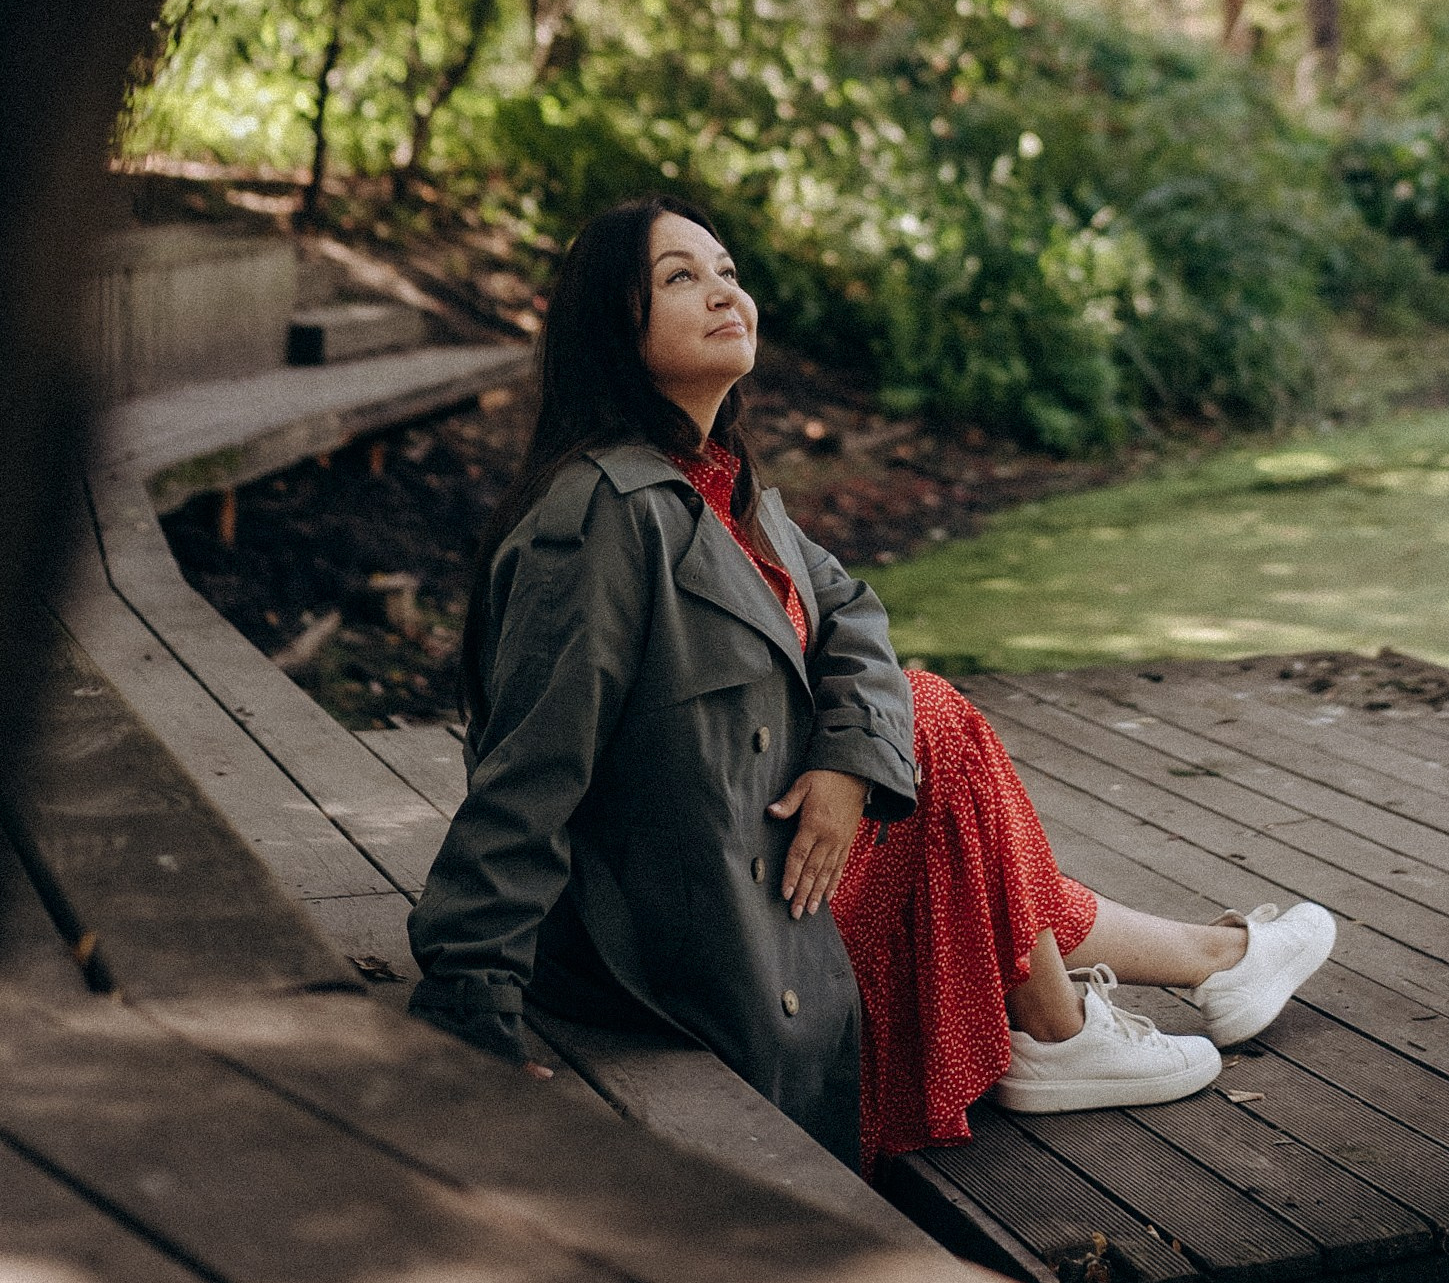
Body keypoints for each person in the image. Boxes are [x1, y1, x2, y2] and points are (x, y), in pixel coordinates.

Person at [408, 196, 1337, 1171]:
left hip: (742, 878)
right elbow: (525, 779)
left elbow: (849, 609)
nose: (722, 290)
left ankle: (1179, 976)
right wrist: (468, 1013)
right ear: (613, 327)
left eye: (727, 270)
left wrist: (849, 763)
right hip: (668, 949)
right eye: (680, 276)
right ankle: (1083, 1014)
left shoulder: (717, 486)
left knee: (927, 760)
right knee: (936, 728)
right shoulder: (602, 518)